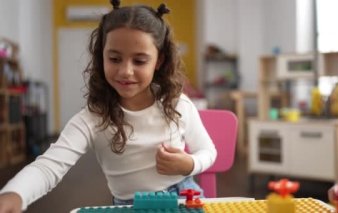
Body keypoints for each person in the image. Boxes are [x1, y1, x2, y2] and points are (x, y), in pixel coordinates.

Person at [0, 1, 217, 212]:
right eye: (114, 59)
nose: (125, 71)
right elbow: (49, 165)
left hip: (183, 197)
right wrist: (15, 193)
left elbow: (207, 151)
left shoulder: (177, 103)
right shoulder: (93, 118)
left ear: (158, 61)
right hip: (128, 206)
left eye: (139, 61)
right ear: (101, 56)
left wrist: (190, 164)